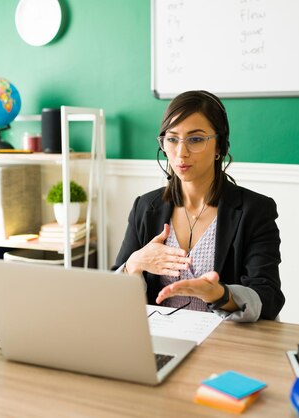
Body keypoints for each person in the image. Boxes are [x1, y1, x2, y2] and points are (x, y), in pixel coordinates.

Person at [112, 90, 284, 321]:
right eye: (172, 139)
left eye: (195, 139)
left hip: (225, 342)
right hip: (159, 339)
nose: (181, 153)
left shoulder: (255, 210)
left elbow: (269, 298)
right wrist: (134, 264)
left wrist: (220, 295)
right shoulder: (145, 207)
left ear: (219, 147)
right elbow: (114, 296)